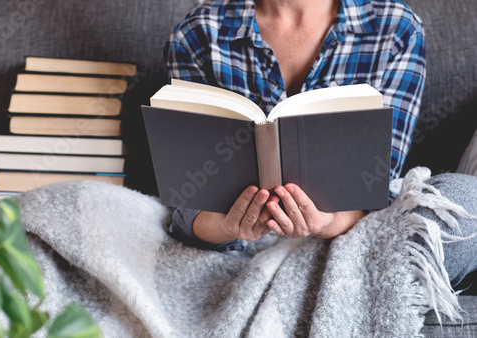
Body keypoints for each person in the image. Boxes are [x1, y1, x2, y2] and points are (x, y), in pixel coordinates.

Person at [163, 0, 477, 288]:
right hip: (234, 251)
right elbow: (188, 199)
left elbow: (380, 181)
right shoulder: (198, 33)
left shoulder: (396, 28)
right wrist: (226, 226)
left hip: (353, 237)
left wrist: (330, 221)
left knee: (466, 201)